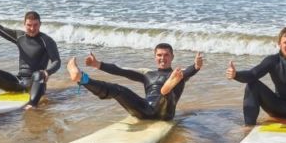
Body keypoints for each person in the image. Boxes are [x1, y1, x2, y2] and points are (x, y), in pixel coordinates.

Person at [67, 45, 204, 120]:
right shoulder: (147, 74)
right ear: (155, 57)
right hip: (145, 108)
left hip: (165, 112)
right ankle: (82, 78)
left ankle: (166, 91)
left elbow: (190, 71)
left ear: (172, 57)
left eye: (166, 55)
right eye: (159, 55)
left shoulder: (178, 74)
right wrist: (97, 64)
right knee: (118, 90)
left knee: (171, 88)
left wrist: (196, 66)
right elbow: (121, 71)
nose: (163, 58)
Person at [0, 7, 60, 110]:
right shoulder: (19, 36)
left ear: (40, 24)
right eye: (29, 25)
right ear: (24, 24)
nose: (32, 28)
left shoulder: (47, 41)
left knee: (38, 74)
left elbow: (56, 61)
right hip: (18, 82)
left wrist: (47, 72)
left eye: (35, 25)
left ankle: (32, 105)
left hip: (36, 83)